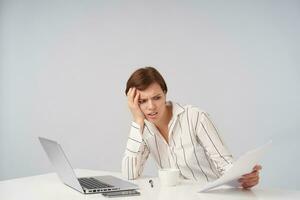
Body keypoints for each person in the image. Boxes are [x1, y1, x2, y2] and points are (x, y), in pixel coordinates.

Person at [121, 67, 262, 189]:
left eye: (156, 97)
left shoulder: (195, 117)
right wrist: (137, 120)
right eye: (142, 101)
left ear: (165, 93)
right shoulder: (143, 130)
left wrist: (243, 177)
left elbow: (224, 164)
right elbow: (129, 175)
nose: (151, 106)